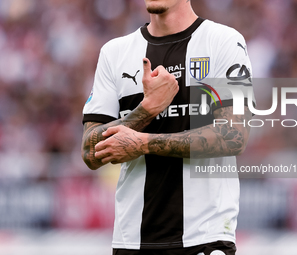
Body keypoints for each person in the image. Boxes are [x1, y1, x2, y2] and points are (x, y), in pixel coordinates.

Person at [81, 0, 253, 254]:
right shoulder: (114, 52)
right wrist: (147, 109)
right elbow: (89, 152)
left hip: (204, 237)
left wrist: (144, 143)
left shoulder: (223, 41)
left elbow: (234, 135)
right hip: (131, 239)